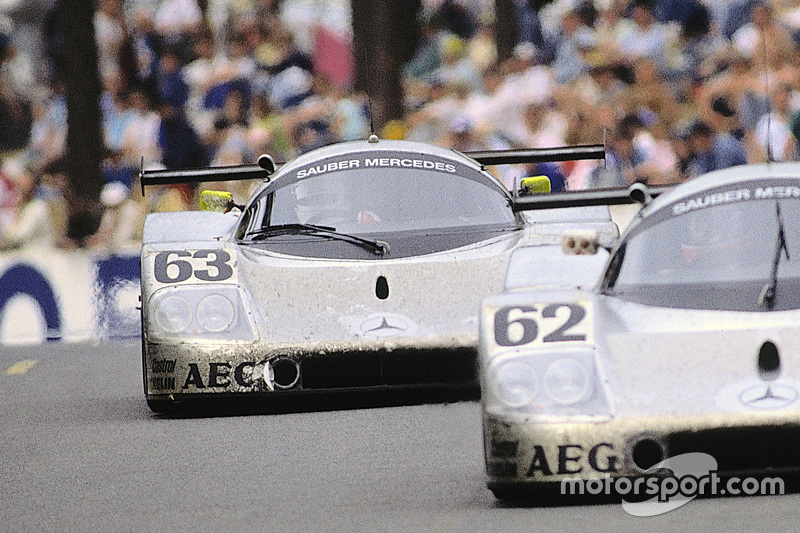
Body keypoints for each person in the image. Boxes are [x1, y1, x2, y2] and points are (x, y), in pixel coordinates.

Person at [0, 159, 53, 251]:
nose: (20, 184)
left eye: (25, 181)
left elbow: (19, 235)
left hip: (37, 257)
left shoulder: (38, 207)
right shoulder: (19, 205)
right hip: (21, 255)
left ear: (33, 185)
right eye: (20, 180)